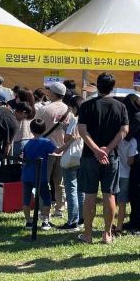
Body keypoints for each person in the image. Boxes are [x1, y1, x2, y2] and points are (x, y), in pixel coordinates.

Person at [78, 73, 129, 244]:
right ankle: (107, 233)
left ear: (97, 86)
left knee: (90, 195)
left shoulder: (86, 105)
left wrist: (96, 150)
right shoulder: (120, 106)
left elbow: (82, 131)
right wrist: (107, 149)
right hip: (111, 156)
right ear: (112, 87)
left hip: (89, 156)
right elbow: (124, 131)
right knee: (109, 195)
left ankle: (88, 233)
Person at [35, 82, 71, 221]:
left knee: (43, 181)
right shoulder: (69, 110)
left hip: (46, 150)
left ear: (53, 93)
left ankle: (44, 209)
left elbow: (36, 127)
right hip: (62, 149)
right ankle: (60, 209)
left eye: (48, 90)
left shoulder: (44, 109)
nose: (47, 92)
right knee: (59, 182)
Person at [22, 118, 56, 231]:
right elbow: (58, 151)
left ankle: (28, 222)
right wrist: (70, 142)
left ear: (31, 130)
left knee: (26, 199)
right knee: (46, 198)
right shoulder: (46, 142)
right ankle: (45, 221)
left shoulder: (27, 144)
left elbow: (24, 157)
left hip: (26, 175)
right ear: (45, 129)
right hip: (40, 177)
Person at [123, 94, 140, 234]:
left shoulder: (138, 117)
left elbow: (128, 134)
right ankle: (135, 220)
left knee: (139, 192)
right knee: (136, 191)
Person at [58, 95, 85, 230]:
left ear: (74, 107)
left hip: (71, 157)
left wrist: (65, 129)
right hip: (83, 156)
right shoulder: (87, 120)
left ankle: (72, 220)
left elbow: (67, 140)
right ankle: (81, 218)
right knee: (81, 189)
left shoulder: (74, 120)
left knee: (71, 189)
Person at [115, 133, 138, 235]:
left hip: (114, 172)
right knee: (122, 202)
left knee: (110, 200)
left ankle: (110, 224)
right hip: (125, 174)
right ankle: (119, 227)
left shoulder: (116, 138)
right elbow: (131, 161)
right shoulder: (133, 141)